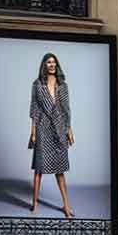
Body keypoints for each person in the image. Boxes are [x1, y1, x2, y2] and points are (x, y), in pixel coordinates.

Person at [27, 52, 75, 217]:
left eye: (54, 62)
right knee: (39, 169)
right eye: (49, 62)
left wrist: (69, 130)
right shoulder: (37, 84)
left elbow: (66, 110)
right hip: (43, 128)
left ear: (57, 65)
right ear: (44, 65)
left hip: (59, 128)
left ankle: (66, 206)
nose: (52, 65)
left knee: (60, 169)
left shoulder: (63, 85)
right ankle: (34, 204)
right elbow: (34, 109)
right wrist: (33, 132)